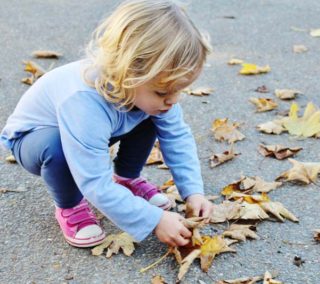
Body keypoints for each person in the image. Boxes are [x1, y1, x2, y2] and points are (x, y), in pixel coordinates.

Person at [1, 0, 213, 248]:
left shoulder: (148, 92)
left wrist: (193, 191)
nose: (174, 100)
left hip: (95, 128)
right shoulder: (83, 101)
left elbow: (177, 137)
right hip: (34, 140)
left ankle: (126, 179)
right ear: (127, 73)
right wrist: (153, 220)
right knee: (57, 149)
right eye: (162, 91)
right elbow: (94, 180)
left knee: (151, 114)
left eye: (180, 90)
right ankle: (69, 206)